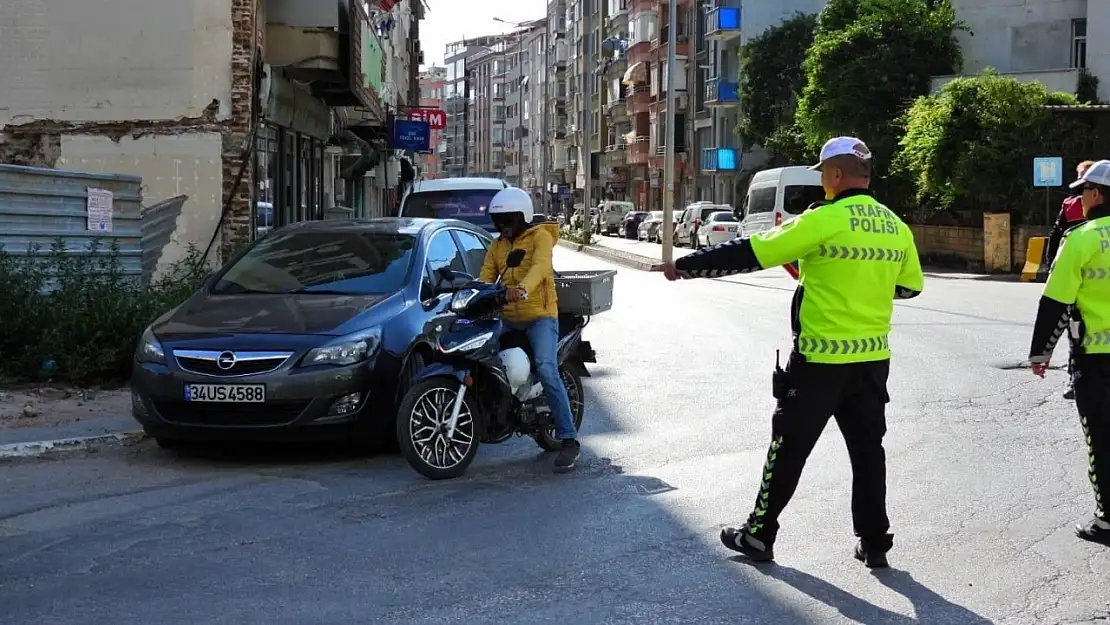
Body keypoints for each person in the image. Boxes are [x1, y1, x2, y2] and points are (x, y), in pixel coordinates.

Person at [654, 137, 924, 567]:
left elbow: (752, 252)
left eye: (822, 175)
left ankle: (759, 535)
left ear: (836, 175)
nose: (822, 183)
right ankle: (874, 543)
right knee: (869, 454)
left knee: (788, 449)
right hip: (872, 363)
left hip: (820, 362)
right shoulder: (895, 225)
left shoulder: (824, 220)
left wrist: (684, 266)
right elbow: (909, 286)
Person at [1028, 159, 1110, 546]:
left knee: (1103, 439)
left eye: (1083, 193)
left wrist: (1041, 354)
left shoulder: (1081, 238)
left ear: (1095, 194)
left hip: (1097, 359)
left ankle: (1108, 520)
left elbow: (1056, 303)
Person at [479, 187, 581, 473]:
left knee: (547, 369)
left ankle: (569, 439)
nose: (501, 226)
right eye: (497, 221)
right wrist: (477, 293)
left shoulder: (541, 237)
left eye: (506, 219)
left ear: (521, 216)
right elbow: (486, 276)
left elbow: (539, 269)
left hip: (540, 316)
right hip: (508, 318)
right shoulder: (497, 245)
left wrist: (522, 288)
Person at [1046, 160, 1096, 400]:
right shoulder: (1069, 206)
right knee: (1075, 329)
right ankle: (1073, 378)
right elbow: (1055, 238)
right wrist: (1050, 269)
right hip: (1078, 279)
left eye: (1084, 179)